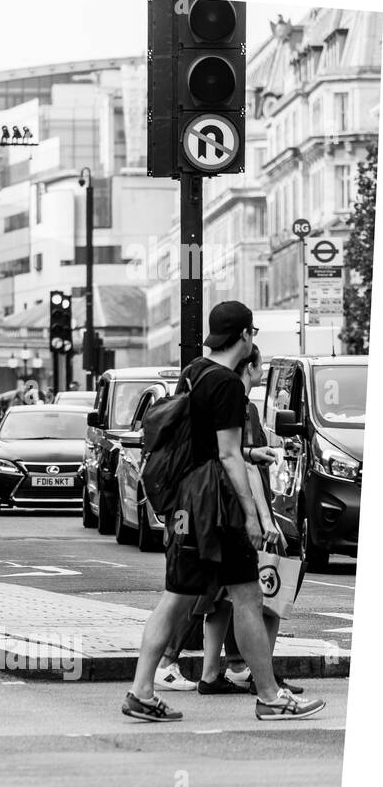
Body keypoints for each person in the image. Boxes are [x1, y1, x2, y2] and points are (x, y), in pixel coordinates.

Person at [122, 302, 325, 722]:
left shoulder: (194, 371)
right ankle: (270, 696)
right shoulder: (230, 385)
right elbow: (230, 458)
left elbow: (206, 443)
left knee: (176, 597)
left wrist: (253, 450)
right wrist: (251, 517)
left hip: (185, 501)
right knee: (247, 596)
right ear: (247, 335)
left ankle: (141, 690)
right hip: (216, 505)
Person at [196, 345, 304, 696]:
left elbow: (234, 454)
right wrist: (262, 520)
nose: (262, 376)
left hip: (213, 508)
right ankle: (264, 680)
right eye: (260, 368)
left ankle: (214, 673)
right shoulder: (240, 404)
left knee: (220, 596)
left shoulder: (209, 391)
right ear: (250, 366)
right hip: (241, 512)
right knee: (266, 587)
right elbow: (246, 469)